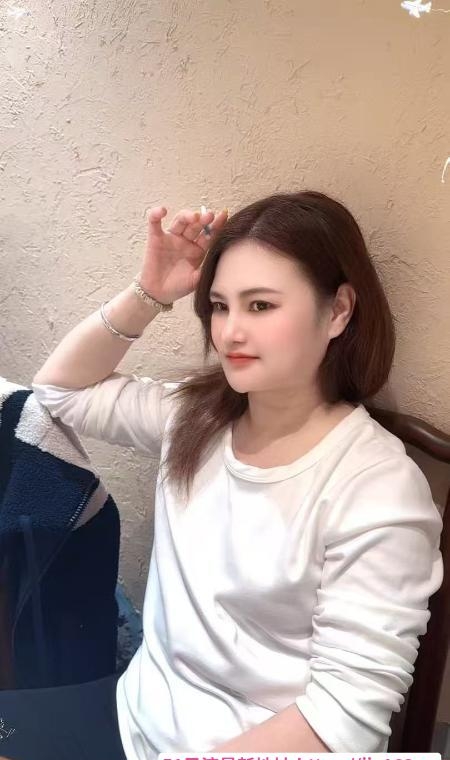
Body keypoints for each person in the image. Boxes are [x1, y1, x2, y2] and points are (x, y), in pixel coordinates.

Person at [0, 192, 443, 760]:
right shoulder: (195, 417)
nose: (229, 332)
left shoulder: (379, 487)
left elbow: (343, 720)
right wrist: (150, 292)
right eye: (218, 306)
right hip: (134, 719)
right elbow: (58, 391)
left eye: (260, 306)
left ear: (338, 310)